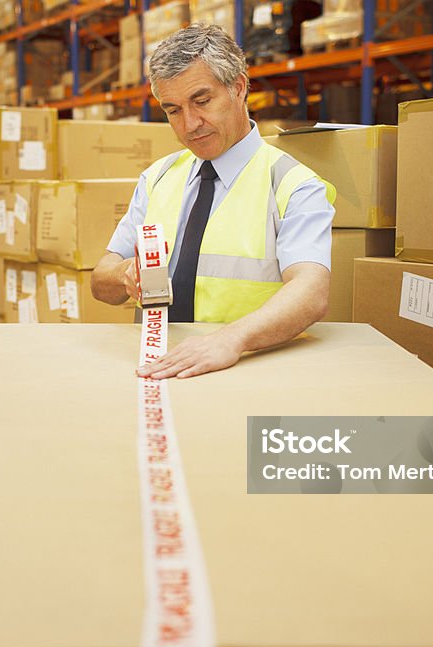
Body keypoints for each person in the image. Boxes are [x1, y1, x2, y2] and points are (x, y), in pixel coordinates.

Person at [91, 24, 335, 380]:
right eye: (173, 110)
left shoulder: (293, 185)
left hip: (248, 370)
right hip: (158, 368)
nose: (190, 124)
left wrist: (231, 339)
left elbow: (311, 293)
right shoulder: (158, 178)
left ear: (238, 87)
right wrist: (124, 274)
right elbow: (101, 280)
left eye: (202, 101)